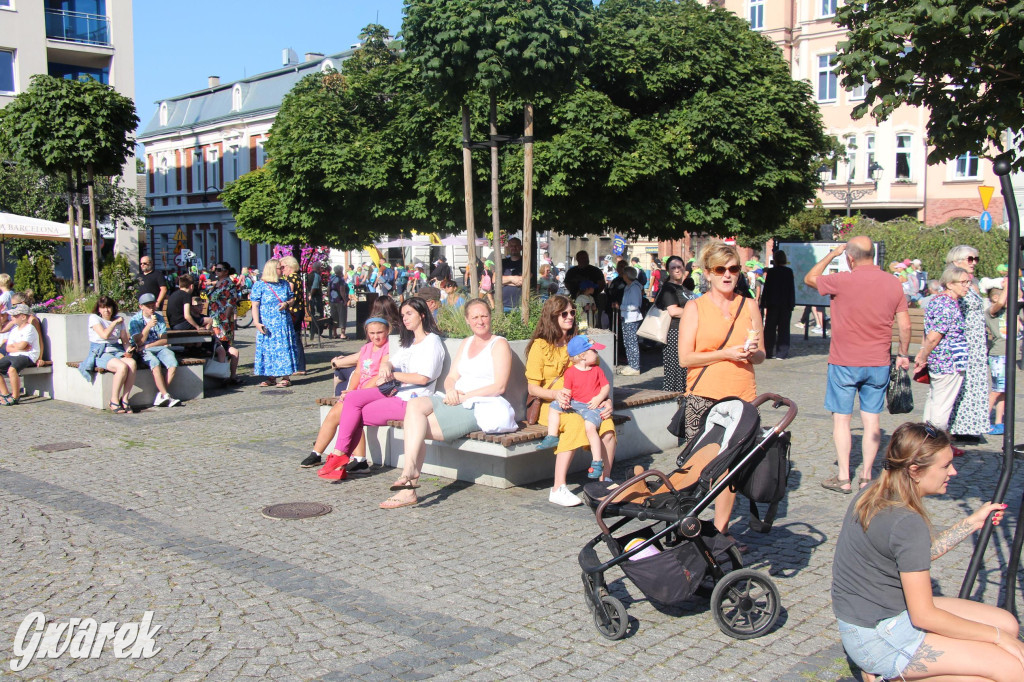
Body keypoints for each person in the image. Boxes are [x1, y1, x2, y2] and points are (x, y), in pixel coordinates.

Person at [832, 422, 1022, 682]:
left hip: (870, 619)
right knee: (1013, 668)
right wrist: (997, 639)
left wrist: (973, 522)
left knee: (1007, 623)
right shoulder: (905, 521)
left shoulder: (875, 490)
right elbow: (924, 615)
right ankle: (886, 673)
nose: (953, 472)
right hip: (880, 635)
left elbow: (915, 554)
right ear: (915, 470)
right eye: (945, 466)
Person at [382, 299, 517, 508]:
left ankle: (409, 483)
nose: (480, 321)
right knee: (415, 406)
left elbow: (499, 386)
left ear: (490, 317)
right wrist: (452, 389)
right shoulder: (466, 342)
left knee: (416, 427)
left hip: (480, 405)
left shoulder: (499, 344)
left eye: (484, 316)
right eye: (475, 317)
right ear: (467, 320)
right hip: (455, 399)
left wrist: (465, 396)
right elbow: (451, 376)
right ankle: (410, 474)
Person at [806, 237, 911, 494]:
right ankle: (866, 476)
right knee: (871, 420)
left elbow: (810, 278)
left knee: (841, 420)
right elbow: (905, 325)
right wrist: (903, 354)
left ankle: (844, 477)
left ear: (850, 258)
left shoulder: (841, 280)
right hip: (878, 362)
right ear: (874, 255)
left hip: (844, 361)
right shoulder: (893, 282)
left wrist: (832, 255)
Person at [678, 242, 764, 538]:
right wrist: (726, 353)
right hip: (703, 396)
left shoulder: (749, 305)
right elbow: (685, 358)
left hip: (742, 396)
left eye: (733, 269)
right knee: (698, 468)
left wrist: (752, 352)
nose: (728, 275)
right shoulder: (695, 306)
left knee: (731, 470)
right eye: (720, 270)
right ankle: (690, 526)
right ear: (708, 273)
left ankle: (721, 532)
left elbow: (762, 353)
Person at [318, 297, 446, 481]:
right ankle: (340, 455)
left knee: (356, 414)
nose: (405, 319)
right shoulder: (410, 341)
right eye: (403, 315)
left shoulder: (431, 342)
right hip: (395, 391)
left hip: (412, 400)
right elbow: (392, 359)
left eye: (409, 314)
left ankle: (342, 459)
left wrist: (394, 375)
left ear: (423, 315)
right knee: (352, 399)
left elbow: (423, 377)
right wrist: (386, 365)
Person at [526, 295, 617, 507]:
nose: (570, 317)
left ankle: (605, 481)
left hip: (586, 403)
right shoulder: (540, 346)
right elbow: (532, 388)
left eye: (572, 313)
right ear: (552, 316)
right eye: (564, 313)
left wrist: (607, 401)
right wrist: (556, 395)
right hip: (555, 407)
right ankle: (558, 488)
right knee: (576, 424)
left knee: (608, 426)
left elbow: (598, 378)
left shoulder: (580, 343)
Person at [301, 297, 403, 470]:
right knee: (334, 414)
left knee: (348, 413)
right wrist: (350, 390)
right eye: (372, 333)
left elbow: (379, 375)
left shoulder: (388, 349)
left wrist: (356, 393)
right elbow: (357, 372)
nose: (376, 336)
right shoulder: (366, 348)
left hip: (377, 390)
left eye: (379, 332)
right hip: (360, 391)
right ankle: (317, 452)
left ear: (387, 331)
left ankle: (359, 459)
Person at [537, 334, 611, 481]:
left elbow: (605, 387)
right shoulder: (570, 372)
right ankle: (552, 436)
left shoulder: (596, 370)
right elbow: (568, 390)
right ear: (583, 355)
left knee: (590, 428)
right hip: (576, 403)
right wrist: (564, 399)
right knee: (554, 407)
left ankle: (597, 462)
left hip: (592, 406)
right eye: (594, 351)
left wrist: (600, 398)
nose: (597, 353)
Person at [915, 265, 971, 430]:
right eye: (963, 282)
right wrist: (923, 356)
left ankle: (925, 440)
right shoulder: (947, 304)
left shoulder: (938, 300)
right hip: (948, 361)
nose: (967, 286)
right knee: (942, 405)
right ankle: (935, 443)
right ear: (950, 284)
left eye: (968, 282)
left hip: (943, 360)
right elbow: (933, 336)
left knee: (934, 400)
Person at [945, 245, 990, 444]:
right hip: (965, 341)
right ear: (956, 261)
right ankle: (957, 427)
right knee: (962, 385)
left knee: (975, 384)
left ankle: (970, 426)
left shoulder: (972, 285)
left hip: (977, 342)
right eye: (969, 259)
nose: (973, 263)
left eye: (975, 259)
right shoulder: (953, 284)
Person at [251, 259, 300, 388]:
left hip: (282, 323)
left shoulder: (284, 284)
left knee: (283, 349)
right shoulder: (259, 285)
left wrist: (287, 304)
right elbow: (255, 305)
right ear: (273, 270)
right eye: (280, 268)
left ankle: (285, 377)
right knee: (268, 350)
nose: (283, 270)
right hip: (267, 323)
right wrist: (256, 322)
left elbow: (292, 299)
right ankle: (271, 377)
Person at [129, 293, 182, 408]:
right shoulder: (135, 320)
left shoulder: (159, 318)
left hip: (156, 347)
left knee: (173, 363)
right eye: (148, 306)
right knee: (155, 363)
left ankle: (163, 395)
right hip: (142, 351)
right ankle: (165, 395)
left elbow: (164, 340)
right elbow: (139, 342)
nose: (152, 308)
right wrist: (148, 326)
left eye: (153, 305)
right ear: (141, 307)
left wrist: (149, 346)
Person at [87, 296, 137, 413]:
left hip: (116, 350)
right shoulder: (94, 318)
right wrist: (114, 323)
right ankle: (113, 400)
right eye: (103, 307)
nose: (106, 310)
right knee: (122, 367)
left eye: (108, 307)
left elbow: (125, 340)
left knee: (132, 363)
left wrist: (128, 350)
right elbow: (104, 335)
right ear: (99, 309)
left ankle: (125, 399)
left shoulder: (119, 321)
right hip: (101, 351)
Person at [656, 256, 694, 392]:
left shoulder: (682, 287)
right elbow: (673, 311)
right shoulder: (669, 288)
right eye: (673, 268)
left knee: (684, 371)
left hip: (686, 331)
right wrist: (697, 312)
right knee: (675, 372)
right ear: (668, 271)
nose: (677, 270)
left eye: (679, 267)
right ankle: (674, 403)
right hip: (674, 333)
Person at [205, 262, 242, 384]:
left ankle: (230, 375)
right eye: (216, 269)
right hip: (213, 318)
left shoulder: (229, 284)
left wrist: (225, 318)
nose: (216, 271)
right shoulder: (217, 284)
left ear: (226, 271)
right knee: (218, 345)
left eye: (219, 270)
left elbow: (231, 302)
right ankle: (226, 373)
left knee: (224, 345)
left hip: (222, 320)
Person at [0, 304, 40, 406]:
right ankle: (5, 394)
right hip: (14, 354)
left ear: (23, 317)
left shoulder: (29, 328)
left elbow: (23, 345)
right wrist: (18, 346)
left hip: (28, 355)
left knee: (12, 370)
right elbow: (8, 348)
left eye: (15, 316)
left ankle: (15, 396)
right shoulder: (14, 330)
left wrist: (18, 346)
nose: (12, 318)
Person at [760, 250, 796, 359]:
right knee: (784, 328)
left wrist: (763, 302)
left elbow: (767, 288)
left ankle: (768, 351)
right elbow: (791, 289)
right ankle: (782, 352)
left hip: (773, 303)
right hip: (785, 304)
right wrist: (792, 303)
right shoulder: (789, 271)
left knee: (770, 328)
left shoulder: (772, 272)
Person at [984, 280, 1008, 436]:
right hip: (998, 354)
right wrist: (1008, 285)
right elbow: (1000, 302)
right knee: (997, 390)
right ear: (994, 297)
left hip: (1009, 354)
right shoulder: (991, 312)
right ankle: (983, 420)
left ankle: (999, 422)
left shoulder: (1010, 311)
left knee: (1004, 391)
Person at [279, 256, 307, 374]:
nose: (281, 269)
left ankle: (298, 366)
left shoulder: (291, 278)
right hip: (299, 310)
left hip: (293, 311)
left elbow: (288, 295)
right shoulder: (297, 277)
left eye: (283, 267)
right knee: (296, 338)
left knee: (294, 338)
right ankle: (300, 366)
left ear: (289, 266)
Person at [619, 267, 643, 375]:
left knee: (632, 342)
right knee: (627, 342)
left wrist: (621, 307)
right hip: (626, 317)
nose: (623, 276)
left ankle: (635, 366)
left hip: (632, 318)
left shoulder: (634, 288)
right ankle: (631, 364)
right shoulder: (628, 287)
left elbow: (635, 305)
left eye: (624, 274)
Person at [501, 236, 525, 312]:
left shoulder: (526, 262)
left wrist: (505, 281)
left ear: (521, 247)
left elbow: (525, 280)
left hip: (520, 305)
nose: (514, 248)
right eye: (511, 246)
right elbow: (495, 279)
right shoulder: (503, 262)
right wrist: (513, 279)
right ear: (508, 247)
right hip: (503, 304)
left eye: (516, 246)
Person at [328, 265, 349, 340]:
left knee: (334, 316)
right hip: (340, 300)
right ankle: (342, 334)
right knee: (342, 316)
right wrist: (345, 300)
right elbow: (342, 290)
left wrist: (329, 298)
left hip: (332, 300)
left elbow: (328, 289)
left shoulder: (331, 278)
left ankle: (334, 333)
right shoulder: (341, 279)